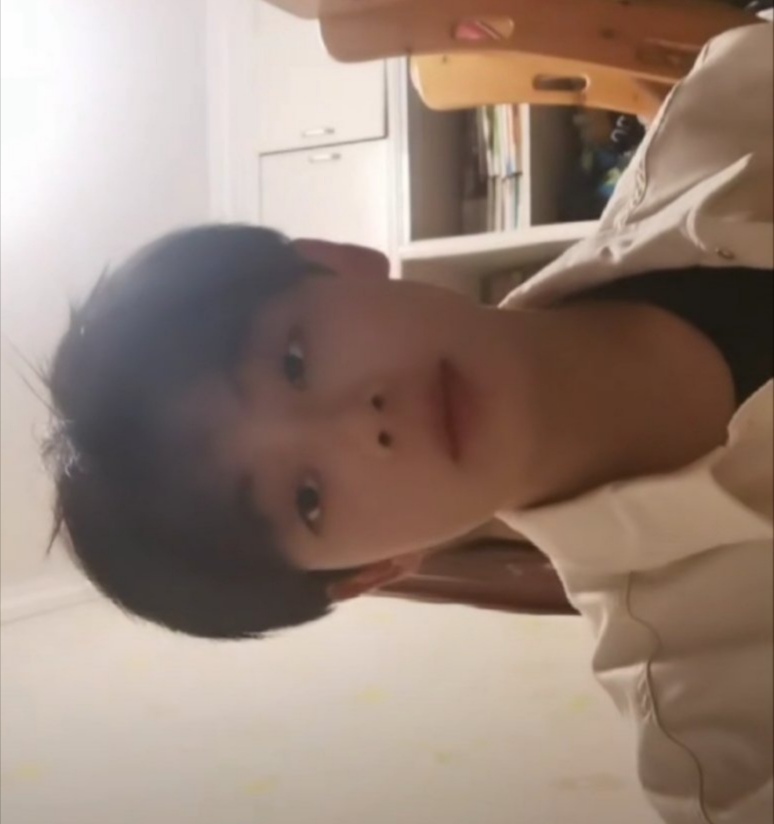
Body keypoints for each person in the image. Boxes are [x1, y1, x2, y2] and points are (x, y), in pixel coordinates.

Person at [44, 21, 772, 824]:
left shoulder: (740, 102)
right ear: (372, 572)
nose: (361, 424)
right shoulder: (729, 752)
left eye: (295, 361)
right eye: (308, 499)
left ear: (337, 261)